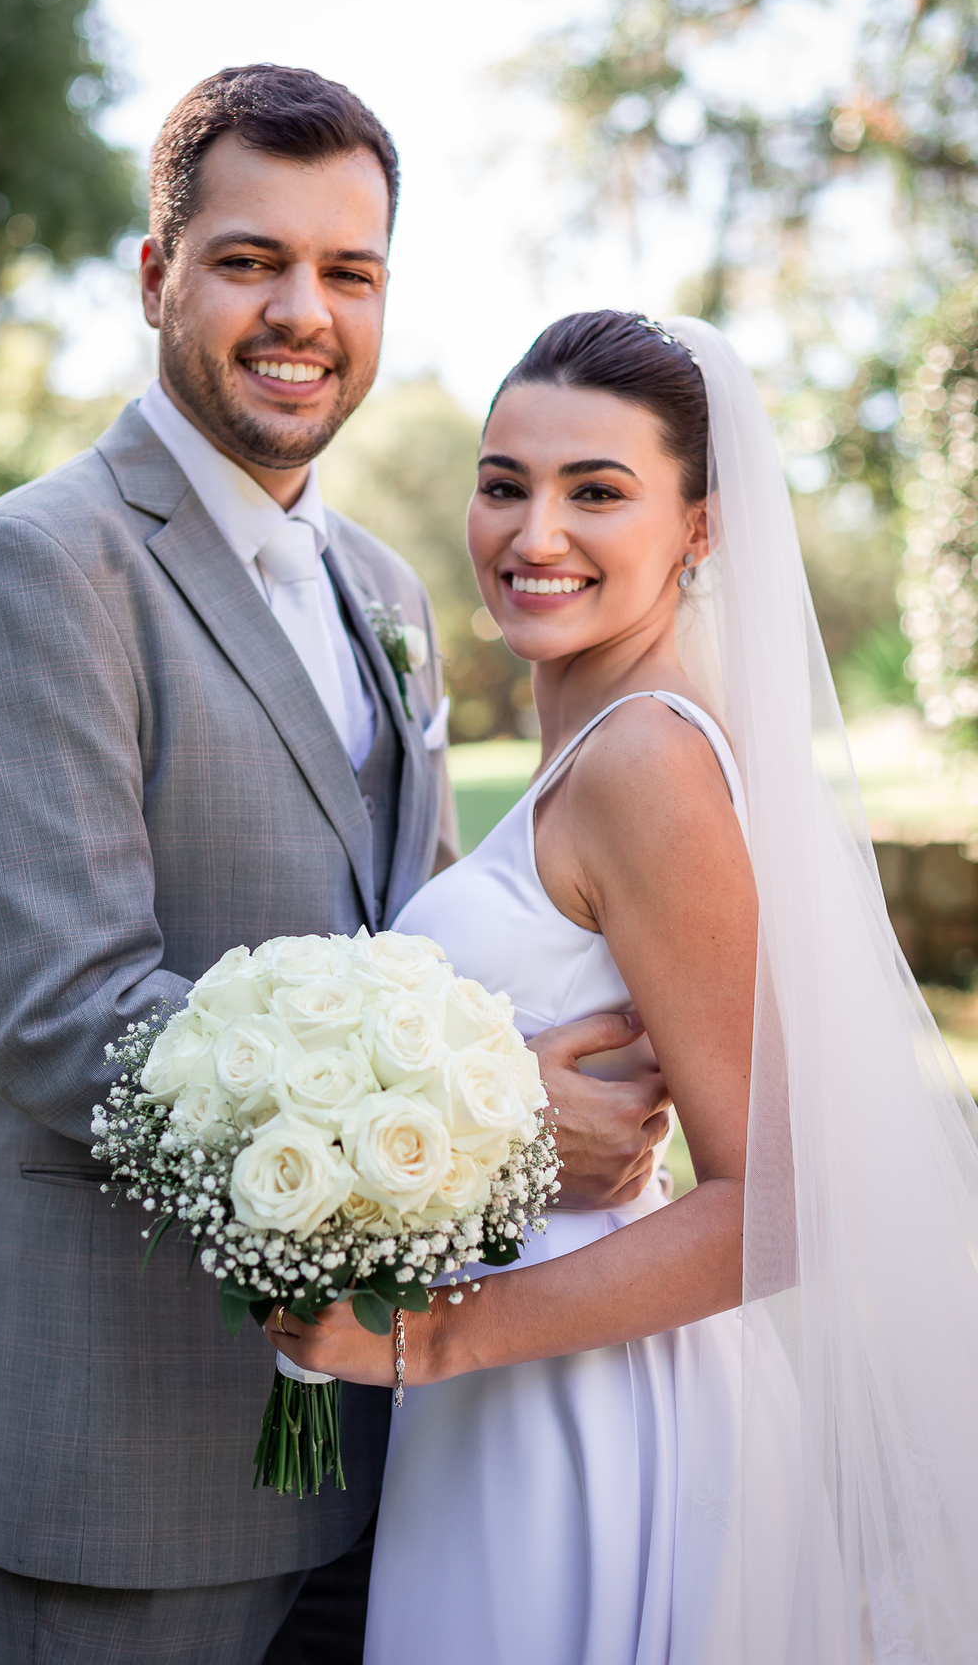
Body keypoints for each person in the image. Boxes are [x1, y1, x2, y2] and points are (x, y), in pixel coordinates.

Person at [0, 70, 669, 1664]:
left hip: (398, 1440)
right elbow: (68, 1014)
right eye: (251, 260)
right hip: (129, 1444)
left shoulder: (388, 585)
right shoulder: (36, 571)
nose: (303, 310)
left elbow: (425, 945)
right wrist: (504, 1126)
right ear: (158, 273)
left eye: (350, 271)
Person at [271, 311, 978, 1663]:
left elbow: (774, 1208)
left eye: (598, 491)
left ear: (701, 529)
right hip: (513, 1389)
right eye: (504, 483)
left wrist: (434, 1338)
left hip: (580, 1415)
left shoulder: (646, 762)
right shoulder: (601, 735)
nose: (535, 534)